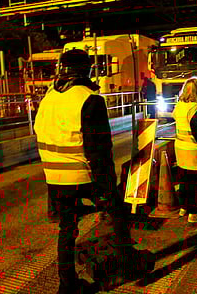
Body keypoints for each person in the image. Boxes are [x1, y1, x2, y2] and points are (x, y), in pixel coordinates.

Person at [34, 49, 134, 294]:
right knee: (117, 213)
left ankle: (66, 285)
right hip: (83, 174)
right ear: (87, 70)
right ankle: (128, 266)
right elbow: (99, 152)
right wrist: (108, 188)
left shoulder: (47, 99)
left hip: (54, 177)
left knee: (67, 230)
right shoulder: (89, 100)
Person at [172, 77, 197, 223]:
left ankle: (184, 208)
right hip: (194, 150)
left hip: (180, 147)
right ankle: (193, 214)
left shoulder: (179, 105)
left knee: (184, 179)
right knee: (194, 182)